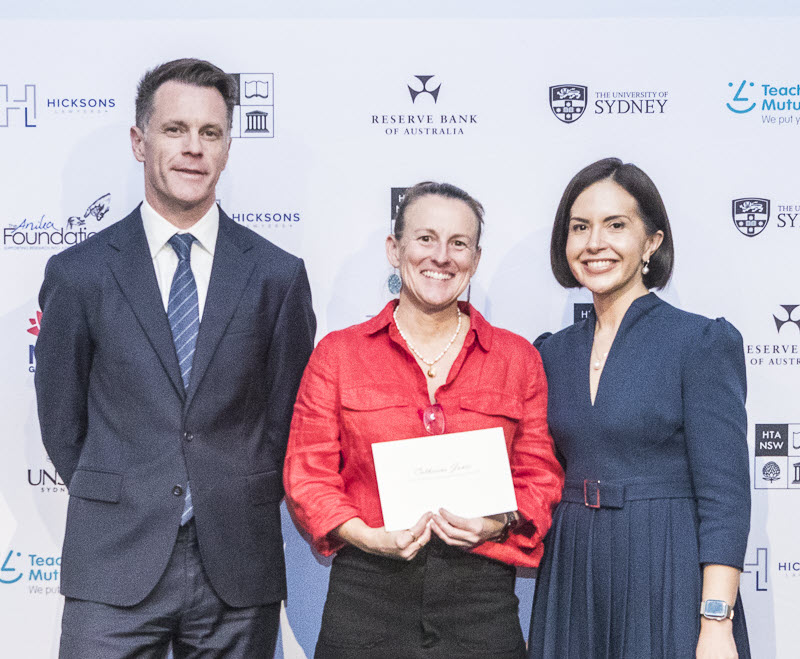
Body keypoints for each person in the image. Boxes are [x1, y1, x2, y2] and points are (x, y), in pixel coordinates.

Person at [34, 58, 316, 657]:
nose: (194, 148)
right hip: (112, 562)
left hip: (237, 566)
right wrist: (126, 487)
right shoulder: (79, 273)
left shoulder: (276, 276)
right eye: (175, 130)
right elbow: (62, 423)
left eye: (210, 133)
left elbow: (286, 420)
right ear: (139, 142)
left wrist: (229, 489)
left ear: (228, 148)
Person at [284, 181, 564, 659]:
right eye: (425, 238)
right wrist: (364, 535)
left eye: (459, 244)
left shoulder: (517, 359)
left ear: (475, 259)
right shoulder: (338, 355)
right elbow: (307, 474)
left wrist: (496, 523)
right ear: (395, 250)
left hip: (480, 598)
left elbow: (540, 475)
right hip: (366, 592)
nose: (442, 256)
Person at [528, 158, 751, 658]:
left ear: (651, 241)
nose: (594, 243)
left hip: (666, 571)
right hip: (573, 572)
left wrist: (716, 622)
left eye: (616, 225)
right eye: (579, 227)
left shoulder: (699, 342)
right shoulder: (549, 353)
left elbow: (725, 496)